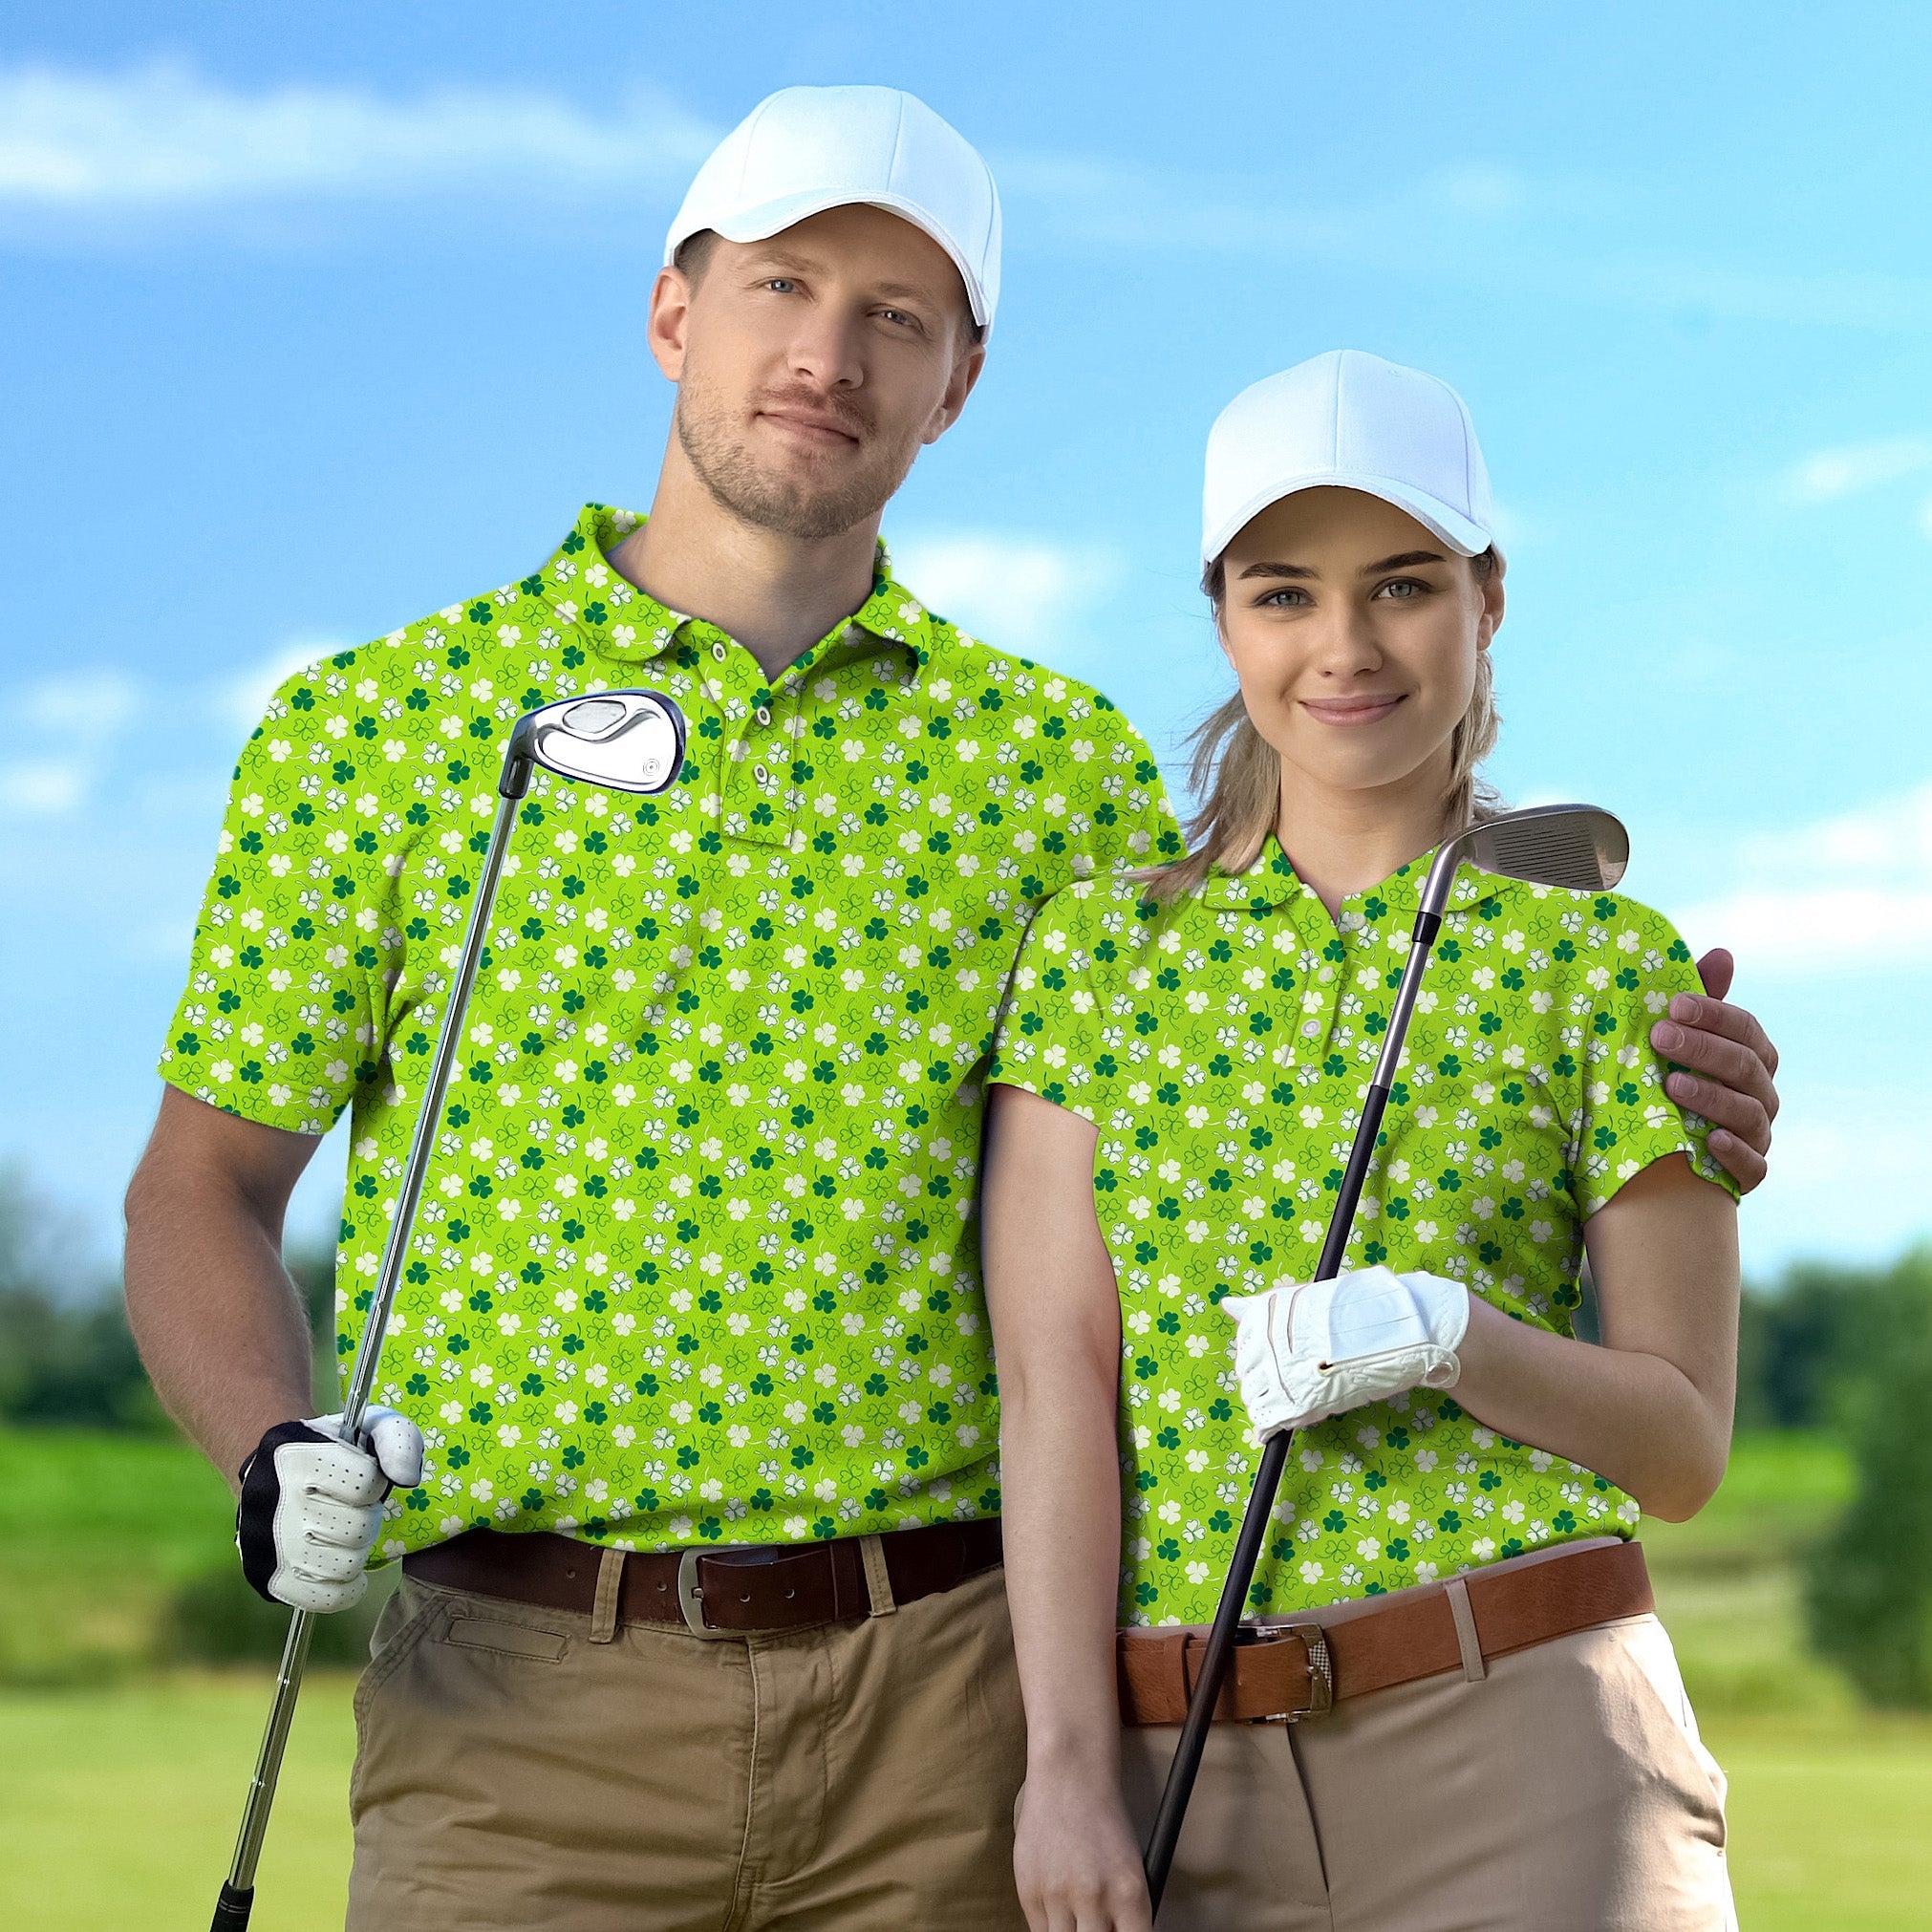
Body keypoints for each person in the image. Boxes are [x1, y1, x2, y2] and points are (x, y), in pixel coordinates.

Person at [118, 83, 1778, 1929]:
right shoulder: (383, 728)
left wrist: (1648, 1052)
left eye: (894, 316)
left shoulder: (1051, 770)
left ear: (959, 379)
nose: (827, 355)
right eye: (780, 287)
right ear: (673, 310)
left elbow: (1290, 1005)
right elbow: (201, 1187)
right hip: (515, 1709)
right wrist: (271, 1450)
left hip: (946, 1705)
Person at [984, 351, 1750, 1930]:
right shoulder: (1092, 960)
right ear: (1220, 617)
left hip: (1530, 1731)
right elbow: (1056, 1379)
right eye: (1283, 594)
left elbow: (1678, 1449)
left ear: (1484, 599)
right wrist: (1062, 1762)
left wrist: (1447, 1334)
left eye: (1400, 585)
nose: (1342, 647)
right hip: (1184, 1767)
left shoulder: (1604, 960)